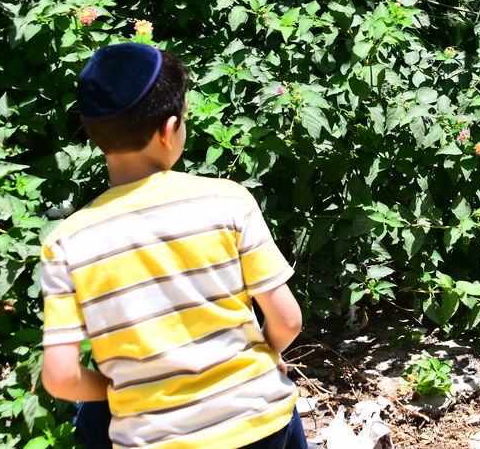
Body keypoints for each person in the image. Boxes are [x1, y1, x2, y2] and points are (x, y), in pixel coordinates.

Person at [41, 42, 307, 449]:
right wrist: (260, 359)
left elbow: (60, 377)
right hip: (260, 421)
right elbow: (287, 320)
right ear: (168, 130)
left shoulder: (67, 241)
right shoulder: (227, 200)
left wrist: (125, 392)